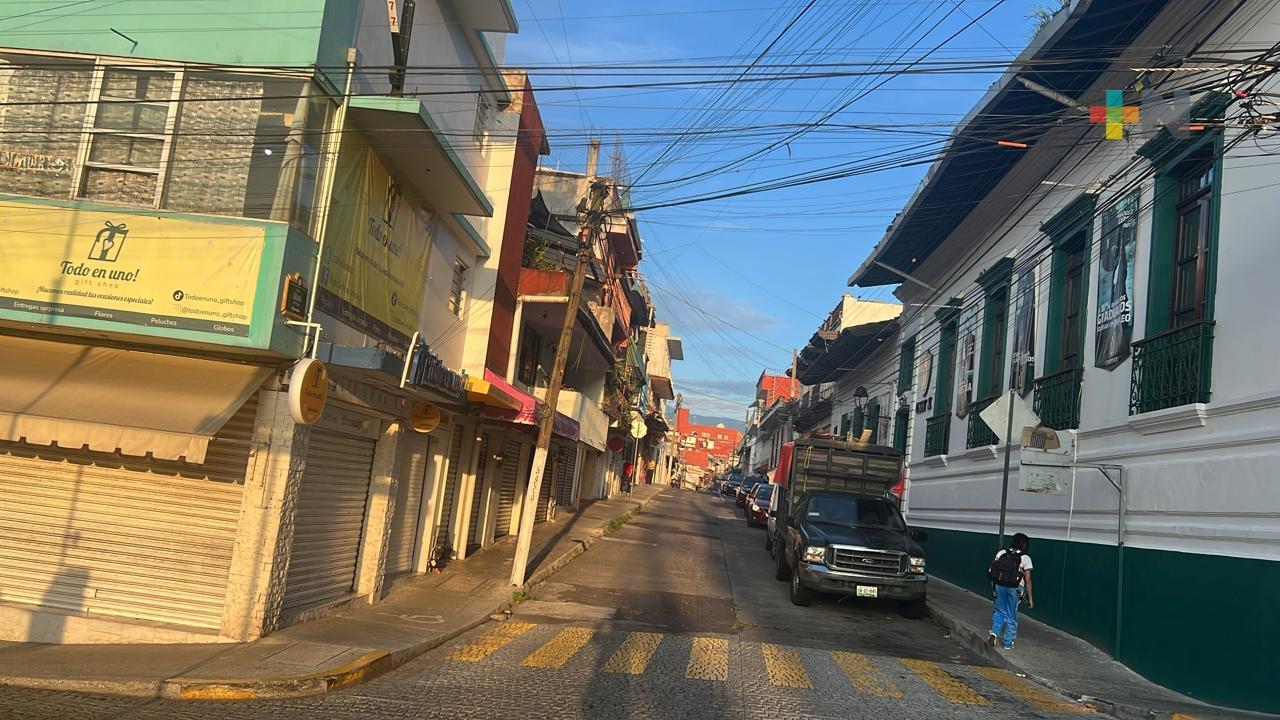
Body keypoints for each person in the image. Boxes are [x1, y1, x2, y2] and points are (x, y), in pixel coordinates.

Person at [988, 533, 1034, 650]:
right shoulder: (1025, 558)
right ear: (1024, 544)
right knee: (1011, 615)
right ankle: (1008, 643)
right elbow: (1027, 579)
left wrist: (994, 589)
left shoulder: (1002, 553)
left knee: (999, 611)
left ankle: (994, 633)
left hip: (999, 585)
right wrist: (1030, 599)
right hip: (1015, 589)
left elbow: (992, 570)